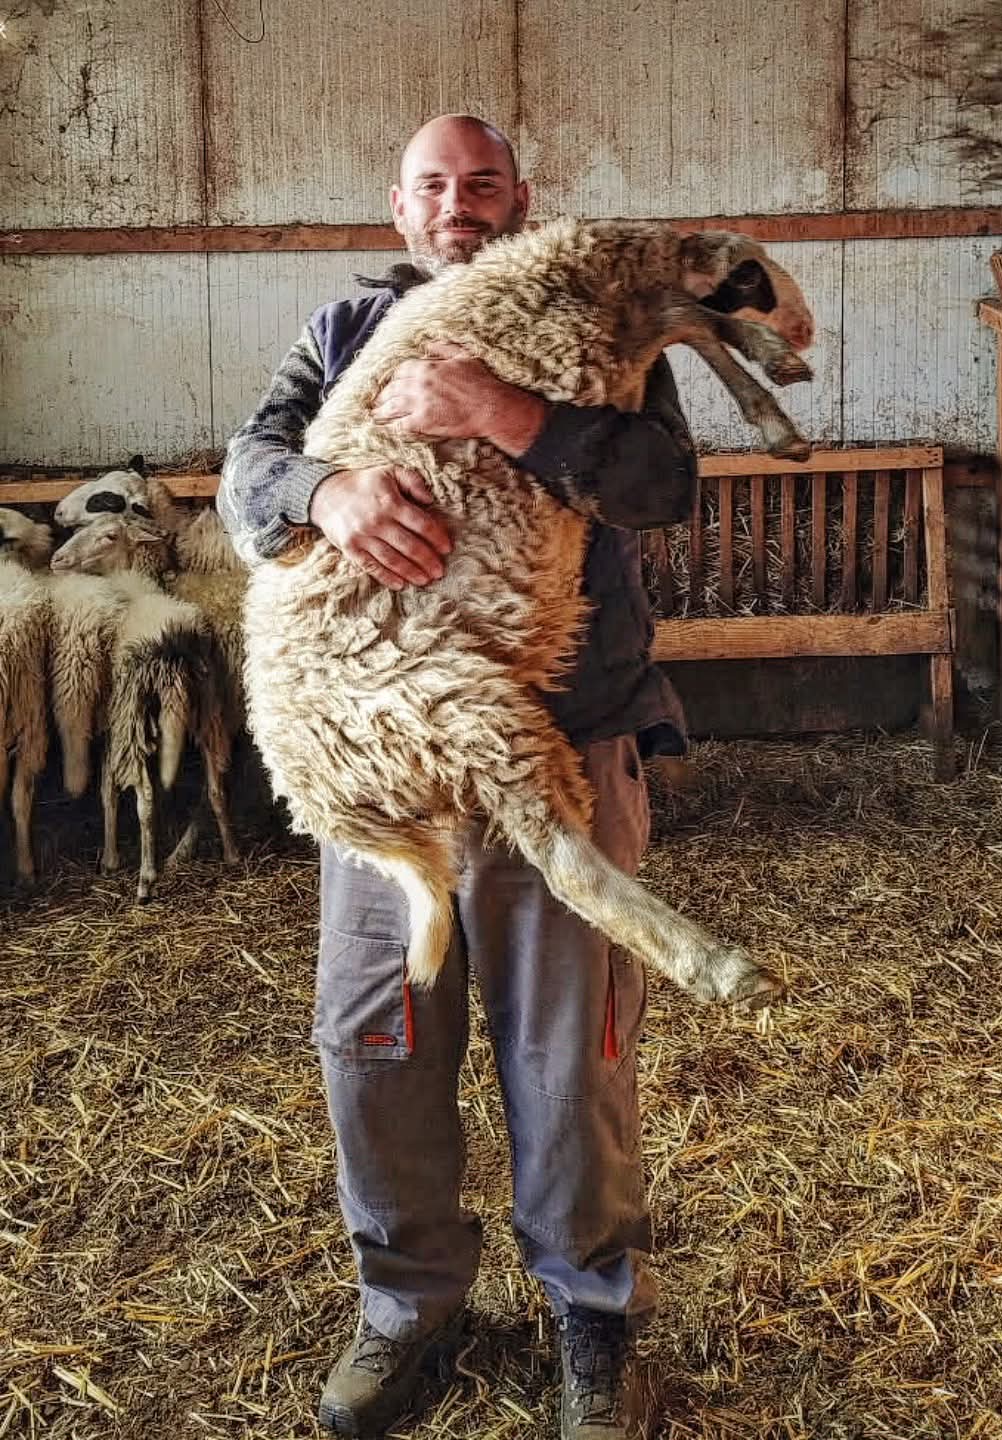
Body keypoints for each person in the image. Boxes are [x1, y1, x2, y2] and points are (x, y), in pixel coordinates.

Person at [219, 114, 696, 1440]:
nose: (459, 204)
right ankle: (407, 1305)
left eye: (482, 183)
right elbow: (242, 473)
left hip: (565, 737)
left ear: (522, 200)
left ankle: (594, 1323)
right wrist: (324, 494)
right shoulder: (338, 334)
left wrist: (514, 416)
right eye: (435, 185)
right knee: (378, 1037)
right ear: (399, 208)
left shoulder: (597, 326)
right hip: (393, 755)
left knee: (568, 1054)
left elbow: (664, 485)